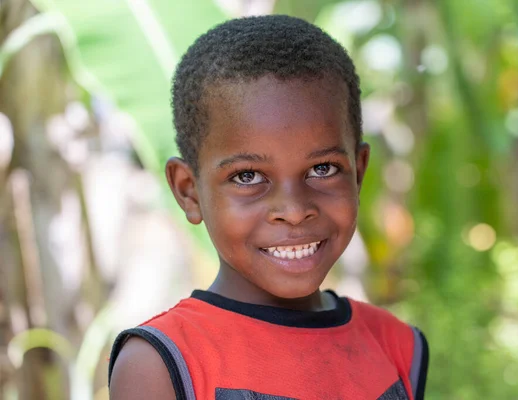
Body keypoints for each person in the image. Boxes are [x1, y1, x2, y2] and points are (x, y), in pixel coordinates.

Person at [108, 14, 428, 400]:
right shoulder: (162, 365)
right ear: (189, 191)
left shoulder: (397, 346)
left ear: (358, 173)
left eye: (322, 169)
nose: (293, 210)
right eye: (247, 177)